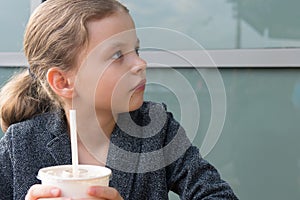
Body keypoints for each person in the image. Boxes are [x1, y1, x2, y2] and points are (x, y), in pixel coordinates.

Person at [0, 0, 238, 199]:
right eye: (117, 55)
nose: (140, 64)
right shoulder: (20, 143)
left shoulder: (156, 129)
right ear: (63, 82)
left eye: (136, 50)